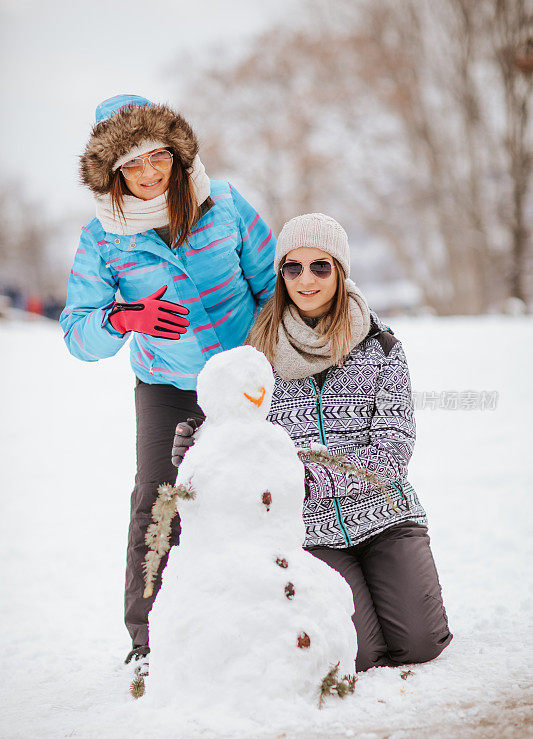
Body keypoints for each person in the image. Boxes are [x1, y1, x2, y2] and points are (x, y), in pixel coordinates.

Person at [173, 213, 452, 672]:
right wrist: (197, 450)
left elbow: (392, 453)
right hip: (310, 533)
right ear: (281, 274)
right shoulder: (256, 354)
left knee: (421, 645)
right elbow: (238, 435)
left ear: (340, 271)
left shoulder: (380, 347)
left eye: (320, 267)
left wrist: (302, 476)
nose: (306, 279)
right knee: (357, 654)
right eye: (293, 267)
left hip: (387, 519)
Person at [60, 94, 277, 670]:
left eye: (158, 155)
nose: (149, 172)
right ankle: (147, 644)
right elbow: (77, 331)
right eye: (132, 164)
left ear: (177, 154)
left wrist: (263, 361)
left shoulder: (223, 204)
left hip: (245, 379)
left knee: (263, 492)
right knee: (159, 502)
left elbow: (272, 287)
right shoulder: (103, 238)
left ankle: (279, 619)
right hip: (167, 387)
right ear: (112, 173)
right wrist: (124, 318)